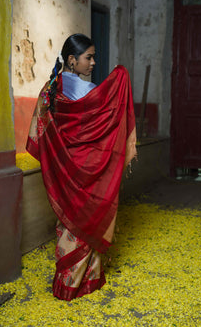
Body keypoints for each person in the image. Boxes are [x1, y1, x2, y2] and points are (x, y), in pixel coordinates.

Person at [26, 33, 137, 301]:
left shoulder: (49, 89)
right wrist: (121, 76)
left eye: (94, 57)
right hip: (87, 171)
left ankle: (66, 283)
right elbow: (110, 116)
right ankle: (87, 280)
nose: (93, 62)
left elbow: (40, 133)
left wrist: (60, 159)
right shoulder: (88, 93)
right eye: (89, 57)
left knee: (69, 222)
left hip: (64, 172)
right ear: (73, 60)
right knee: (88, 218)